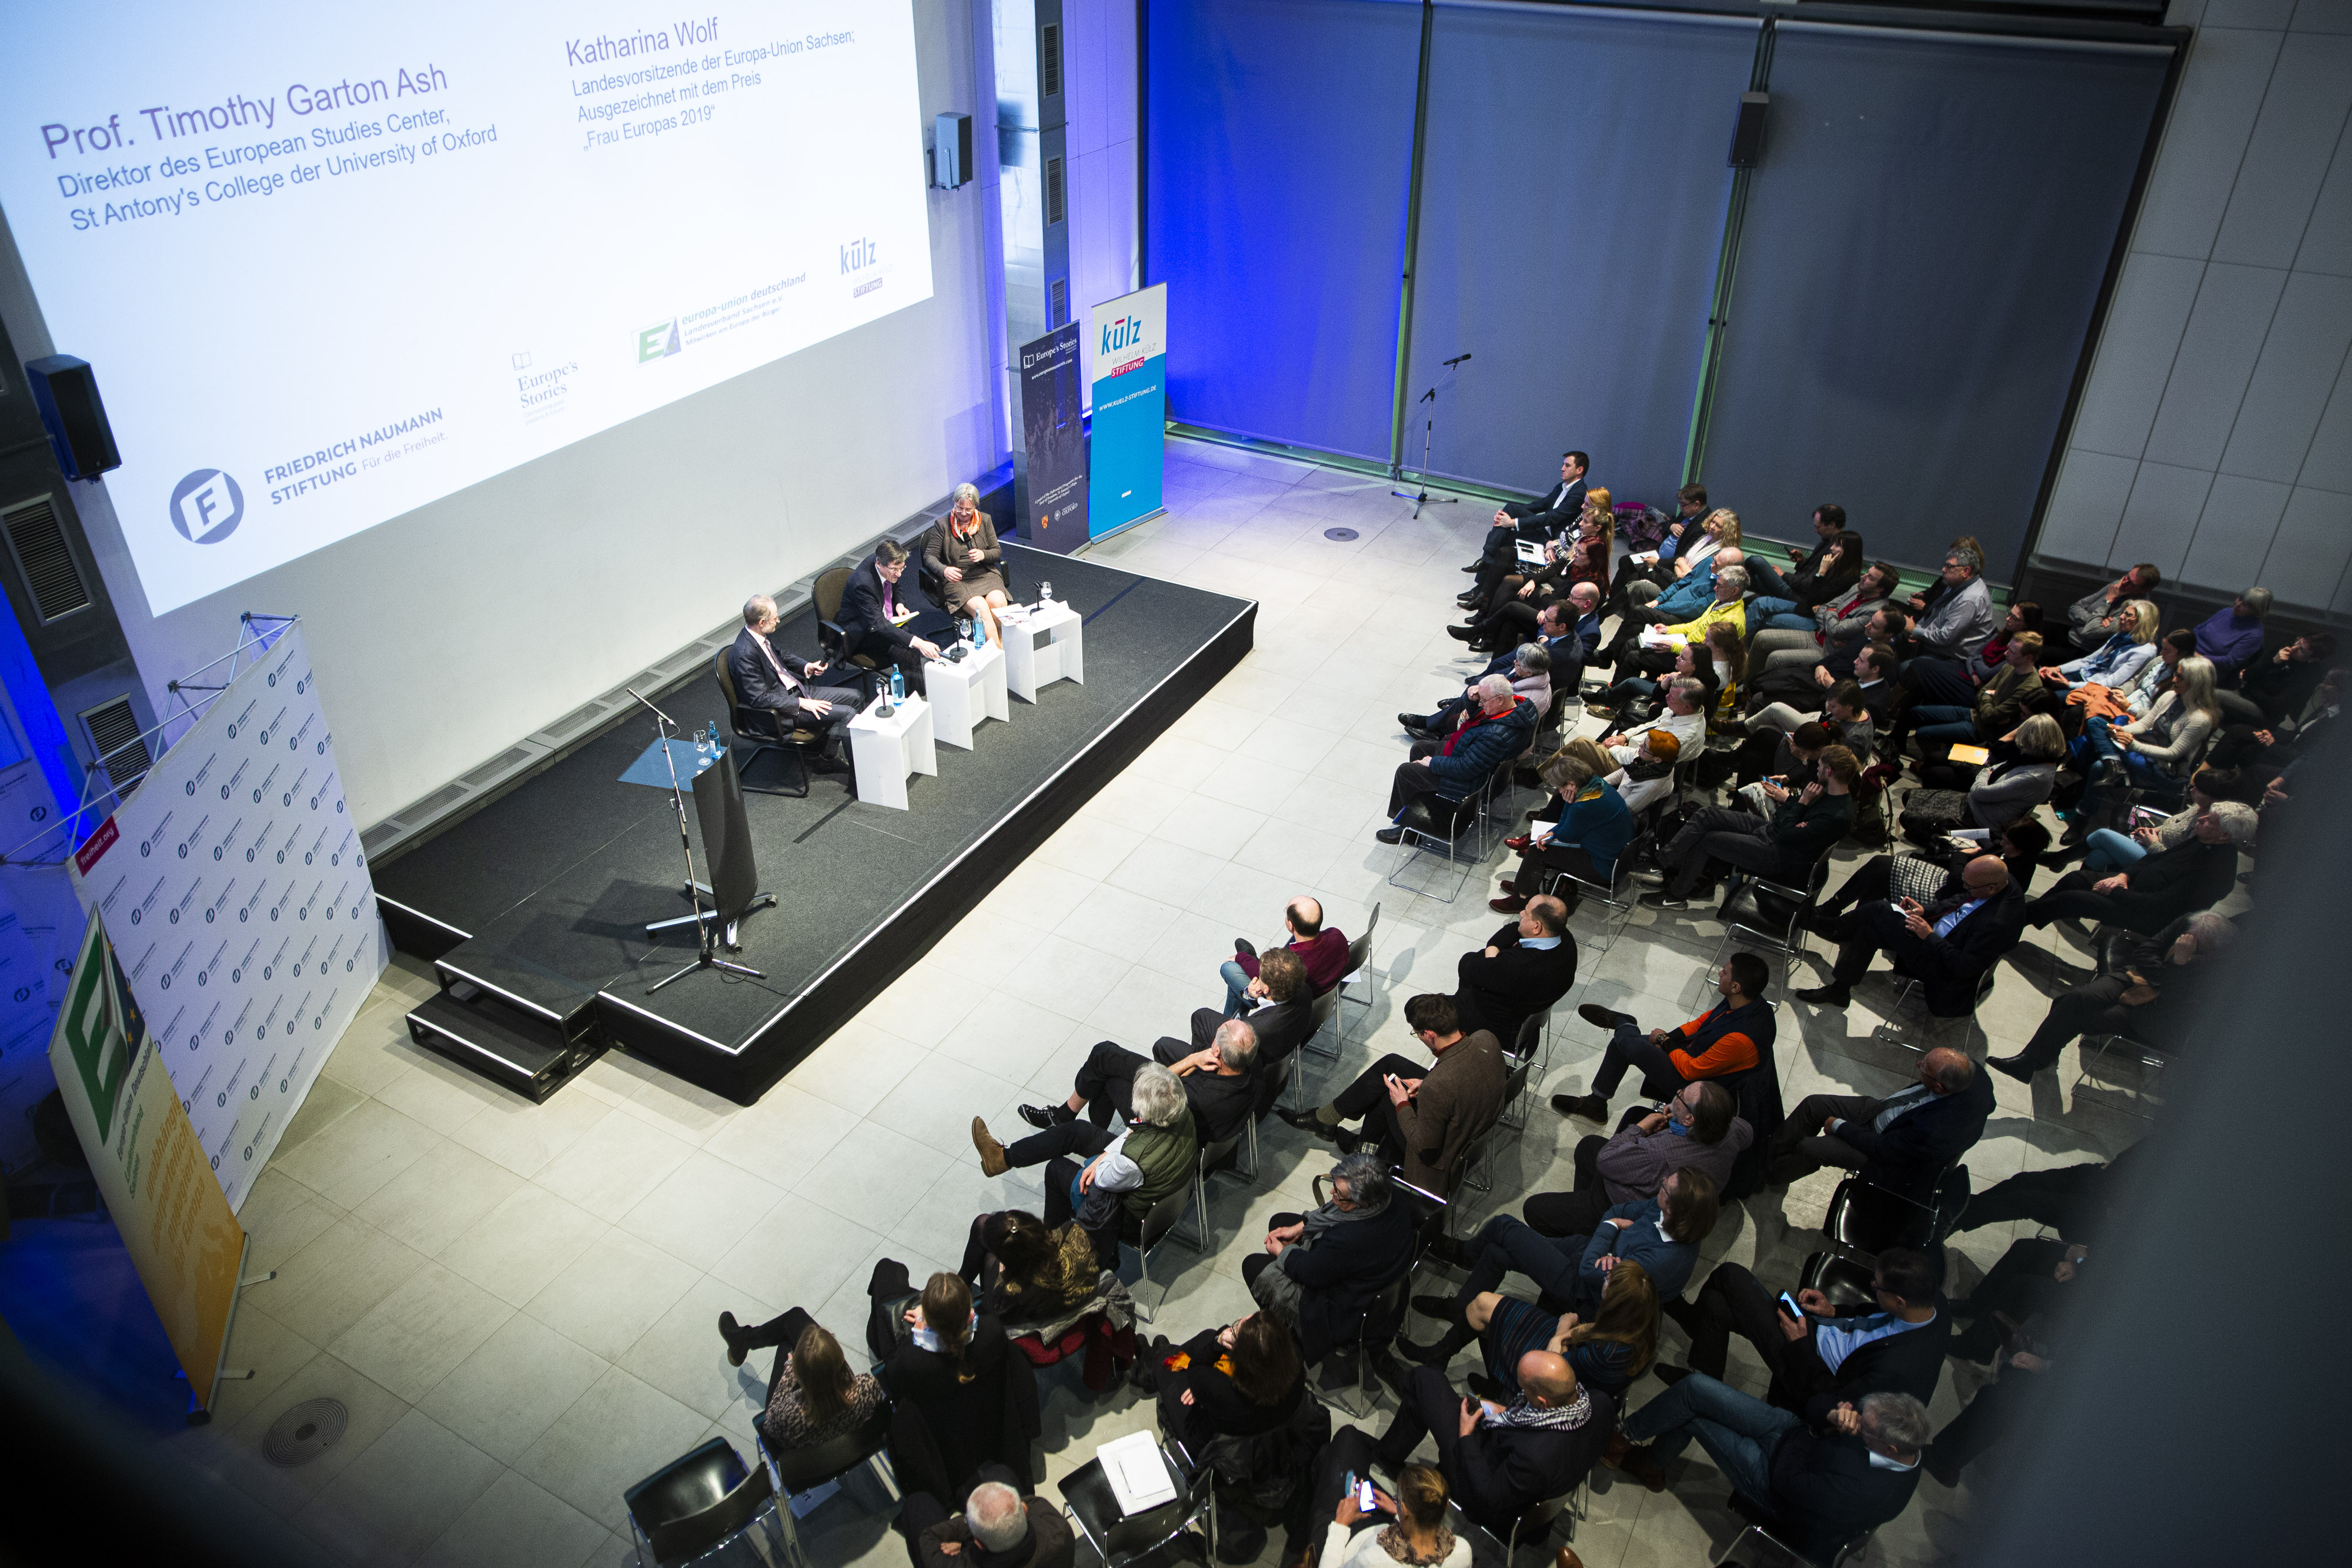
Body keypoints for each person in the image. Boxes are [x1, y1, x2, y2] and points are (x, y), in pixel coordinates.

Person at [1405, 1172, 1714, 1368]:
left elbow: (1593, 1266)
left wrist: (1609, 1231)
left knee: (1504, 1227)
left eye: (1665, 1189)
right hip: (1584, 1252)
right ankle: (1452, 1329)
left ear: (1677, 1209)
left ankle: (1464, 1255)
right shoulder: (1661, 1210)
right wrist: (1610, 1237)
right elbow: (1618, 1211)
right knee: (1498, 1253)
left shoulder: (1663, 1261)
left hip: (1584, 1293)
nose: (1659, 1188)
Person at [1610, 1385, 1930, 1562]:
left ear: (1890, 1450)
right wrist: (1832, 1414)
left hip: (1775, 1489)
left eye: (1865, 1429)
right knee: (1694, 1390)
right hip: (1791, 1435)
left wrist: (1816, 1435)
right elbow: (1815, 1400)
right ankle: (1624, 1437)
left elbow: (1788, 1484)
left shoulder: (1865, 1492)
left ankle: (1646, 1463)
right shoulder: (1885, 1421)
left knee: (1693, 1416)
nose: (1857, 1423)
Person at [1662, 1248, 1947, 1419]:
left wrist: (1799, 1345)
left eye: (1877, 1286)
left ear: (1900, 1301)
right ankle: (1703, 1387)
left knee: (1730, 1274)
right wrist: (1834, 1311)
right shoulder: (1930, 1303)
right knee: (1714, 1306)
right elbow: (1870, 1315)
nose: (1872, 1284)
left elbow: (1835, 1400)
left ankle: (1693, 1332)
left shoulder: (1898, 1370)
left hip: (1807, 1370)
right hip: (1816, 1331)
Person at [1278, 995, 1507, 1197]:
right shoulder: (1487, 1038)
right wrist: (1426, 1082)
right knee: (1391, 1068)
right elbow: (1469, 1077)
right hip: (1471, 1113)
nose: (1418, 1037)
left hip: (1437, 1161)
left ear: (1429, 1034)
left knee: (1388, 1094)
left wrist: (1403, 1105)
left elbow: (1424, 1149)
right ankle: (1341, 1133)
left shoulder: (1438, 1087)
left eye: (1417, 1033)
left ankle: (1360, 1157)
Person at [1371, 1351, 1609, 1540]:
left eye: (1524, 1390)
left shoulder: (1534, 1458)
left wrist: (1465, 1435)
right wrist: (1504, 1413)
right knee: (1421, 1401)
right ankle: (1389, 1454)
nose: (1520, 1393)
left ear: (1542, 1403)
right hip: (1510, 1459)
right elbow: (1534, 1426)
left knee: (1426, 1379)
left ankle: (1399, 1385)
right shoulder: (1600, 1403)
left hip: (1482, 1491)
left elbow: (1487, 1497)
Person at [971, 1063, 1197, 1256]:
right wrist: (1112, 1150)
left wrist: (1102, 1159)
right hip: (1156, 1168)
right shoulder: (1179, 1110)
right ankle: (1003, 1159)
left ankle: (1050, 1249)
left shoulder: (1131, 1162)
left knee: (1056, 1169)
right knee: (1078, 1131)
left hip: (1128, 1217)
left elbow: (1098, 1176)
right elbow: (1136, 1135)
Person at [1989, 911, 2234, 1080]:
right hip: (2135, 977)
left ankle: (2035, 1060)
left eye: (2196, 945)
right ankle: (2035, 1060)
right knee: (2076, 999)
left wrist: (2180, 963)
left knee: (2076, 1014)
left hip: (2155, 1014)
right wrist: (2166, 973)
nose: (2187, 942)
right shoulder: (2188, 924)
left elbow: (2175, 999)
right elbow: (2145, 952)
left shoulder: (2222, 971)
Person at [873, 1271, 1040, 1506]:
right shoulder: (992, 1332)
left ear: (929, 1319)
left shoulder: (912, 1362)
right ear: (970, 1310)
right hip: (986, 1421)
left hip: (945, 1438)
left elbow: (891, 1376)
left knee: (886, 1277)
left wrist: (922, 1323)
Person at [1549, 959, 1775, 1126]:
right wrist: (1670, 1038)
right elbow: (1703, 1022)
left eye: (1725, 972)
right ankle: (1596, 1103)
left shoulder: (1742, 1039)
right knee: (1622, 1045)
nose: (1719, 972)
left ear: (1736, 987)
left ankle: (1621, 1023)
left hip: (1701, 1093)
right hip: (1696, 1063)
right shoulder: (1748, 1002)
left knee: (1629, 1044)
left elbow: (1692, 1071)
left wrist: (1665, 1042)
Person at [1524, 1080, 1750, 1243]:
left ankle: (1591, 1232)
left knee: (1534, 1209)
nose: (1678, 1091)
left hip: (1618, 1203)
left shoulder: (1659, 1153)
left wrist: (1641, 1127)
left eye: (1682, 1097)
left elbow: (1607, 1160)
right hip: (1667, 1186)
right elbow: (1748, 1133)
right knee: (1589, 1146)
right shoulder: (1732, 1128)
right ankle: (1583, 1220)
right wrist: (1678, 1121)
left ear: (1691, 1119)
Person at [1242, 1152, 1417, 1362]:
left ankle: (1289, 1343)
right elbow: (1332, 1214)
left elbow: (1310, 1273)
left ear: (1362, 1202)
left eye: (1340, 1193)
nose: (1332, 1192)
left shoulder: (1349, 1240)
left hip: (1344, 1312)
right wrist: (1301, 1227)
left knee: (1253, 1265)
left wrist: (1282, 1253)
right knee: (1280, 1221)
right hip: (1380, 1277)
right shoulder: (1389, 1194)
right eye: (1334, 1183)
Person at [1638, 744, 1859, 910]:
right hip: (1771, 831)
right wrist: (1794, 807)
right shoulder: (1825, 792)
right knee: (1706, 815)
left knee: (1707, 841)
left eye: (1820, 766)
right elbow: (1788, 820)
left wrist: (1800, 804)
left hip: (1778, 855)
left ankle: (1676, 896)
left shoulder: (1836, 814)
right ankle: (1662, 861)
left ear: (1829, 771)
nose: (1816, 769)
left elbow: (1787, 835)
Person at [1795, 854, 2022, 1013]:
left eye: (1969, 886)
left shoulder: (1997, 923)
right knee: (1870, 929)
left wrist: (1928, 935)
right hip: (1934, 936)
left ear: (1992, 888)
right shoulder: (2000, 881)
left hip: (1939, 964)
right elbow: (1962, 900)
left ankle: (1824, 924)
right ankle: (1839, 991)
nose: (1965, 889)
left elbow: (1964, 966)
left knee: (1881, 909)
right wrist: (1926, 910)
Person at [1768, 1047, 1992, 1199]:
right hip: (1886, 1113)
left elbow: (1882, 1148)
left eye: (1924, 1068)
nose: (1919, 1063)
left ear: (1939, 1088)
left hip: (1883, 1151)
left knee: (1811, 1148)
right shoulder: (1973, 1073)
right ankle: (1769, 1155)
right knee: (1813, 1105)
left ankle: (1774, 1175)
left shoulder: (1932, 1128)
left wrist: (1838, 1126)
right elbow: (1990, 1105)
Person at [1014, 1018, 1260, 1146]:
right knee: (1120, 1058)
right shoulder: (1250, 1068)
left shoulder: (1199, 1095)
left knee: (1105, 1060)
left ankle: (1071, 1121)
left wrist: (1193, 1059)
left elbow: (1158, 1084)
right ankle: (1075, 1122)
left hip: (1160, 1126)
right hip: (1201, 1124)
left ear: (1216, 1052)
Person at [2023, 801, 2253, 934]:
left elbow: (2161, 905)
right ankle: (2030, 915)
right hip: (2133, 888)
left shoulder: (2215, 872)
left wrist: (2115, 890)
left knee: (2072, 898)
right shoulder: (2204, 839)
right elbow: (2155, 859)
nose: (2201, 819)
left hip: (2146, 915)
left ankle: (2016, 918)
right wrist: (2123, 875)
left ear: (2224, 835)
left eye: (2209, 820)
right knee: (2074, 879)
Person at [1451, 1258, 1660, 1403]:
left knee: (1487, 1316)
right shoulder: (1640, 1324)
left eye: (1609, 1280)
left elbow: (1554, 1361)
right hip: (1578, 1358)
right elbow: (1593, 1330)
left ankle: (1499, 1385)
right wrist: (1570, 1332)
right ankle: (1496, 1383)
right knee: (1485, 1307)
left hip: (1563, 1384)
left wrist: (1562, 1330)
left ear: (1616, 1304)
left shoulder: (1605, 1353)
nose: (1605, 1277)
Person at [1375, 676, 1538, 844]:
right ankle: (1425, 800)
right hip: (1465, 752)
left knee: (1406, 772)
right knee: (1420, 748)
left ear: (1500, 699)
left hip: (1468, 781)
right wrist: (1472, 699)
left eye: (1483, 700)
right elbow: (1478, 717)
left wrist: (1432, 763)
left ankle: (1408, 829)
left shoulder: (1496, 735)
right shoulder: (1519, 707)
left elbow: (1464, 769)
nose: (1481, 704)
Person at [2070, 656, 2223, 823]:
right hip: (2147, 745)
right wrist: (2121, 730)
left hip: (2165, 766)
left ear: (2195, 683)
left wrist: (2133, 744)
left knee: (2098, 765)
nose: (2174, 679)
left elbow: (2173, 753)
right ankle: (2112, 763)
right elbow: (2145, 724)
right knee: (2097, 723)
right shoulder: (2170, 696)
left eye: (2180, 677)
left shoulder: (2200, 720)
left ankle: (2083, 815)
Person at [713, 1309, 888, 1451]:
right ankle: (743, 1340)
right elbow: (846, 1378)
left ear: (802, 1375)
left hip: (809, 1462)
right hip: (853, 1448)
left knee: (788, 1342)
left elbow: (769, 1424)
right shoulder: (868, 1385)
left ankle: (742, 1340)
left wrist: (790, 1368)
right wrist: (827, 1348)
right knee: (807, 1334)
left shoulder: (788, 1416)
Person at [1142, 1310, 1308, 1457]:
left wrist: (1202, 1387)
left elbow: (1196, 1369)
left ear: (1242, 1359)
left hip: (1211, 1445)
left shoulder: (1222, 1391)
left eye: (1237, 1330)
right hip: (1269, 1428)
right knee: (1208, 1336)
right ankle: (1164, 1357)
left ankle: (1154, 1365)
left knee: (1164, 1363)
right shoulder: (1295, 1362)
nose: (1239, 1318)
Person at [1493, 745, 1632, 914]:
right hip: (1614, 853)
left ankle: (1523, 898)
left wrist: (1566, 807)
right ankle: (1524, 886)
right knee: (1544, 843)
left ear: (1572, 784)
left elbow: (1567, 835)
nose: (1559, 791)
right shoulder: (1597, 783)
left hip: (1603, 865)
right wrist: (1557, 827)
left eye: (1560, 787)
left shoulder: (1584, 805)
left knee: (1538, 850)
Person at [729, 594, 862, 766]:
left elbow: (780, 655)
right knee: (848, 714)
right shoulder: (744, 654)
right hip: (782, 710)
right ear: (761, 623)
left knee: (856, 697)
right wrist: (801, 703)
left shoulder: (758, 636)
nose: (778, 620)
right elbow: (759, 698)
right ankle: (857, 774)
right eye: (774, 618)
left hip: (797, 690)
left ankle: (827, 754)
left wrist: (807, 667)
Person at [1450, 895, 1578, 1049]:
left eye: (1527, 912)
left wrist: (1491, 962)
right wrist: (1493, 954)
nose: (1521, 913)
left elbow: (1467, 963)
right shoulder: (1565, 940)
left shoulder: (1519, 968)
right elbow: (1514, 928)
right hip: (1522, 1018)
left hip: (1496, 1028)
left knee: (1421, 1010)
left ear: (1537, 927)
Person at [955, 1209, 1102, 1326]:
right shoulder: (1073, 1231)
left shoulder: (1012, 1292)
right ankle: (960, 1287)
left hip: (1037, 1310)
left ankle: (956, 1294)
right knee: (985, 1224)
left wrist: (1002, 1265)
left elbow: (999, 1305)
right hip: (1076, 1290)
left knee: (983, 1232)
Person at [1311, 1459, 1469, 1568]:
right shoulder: (1463, 1550)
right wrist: (1398, 1513)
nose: (1395, 1501)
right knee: (1330, 1459)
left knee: (1344, 1443)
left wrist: (1341, 1524)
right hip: (1392, 1525)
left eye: (1398, 1499)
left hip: (1347, 1547)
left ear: (1405, 1509)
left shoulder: (1374, 1560)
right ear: (1446, 1506)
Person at [838, 539, 944, 696]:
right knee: (908, 650)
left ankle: (915, 693)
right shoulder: (863, 583)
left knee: (909, 643)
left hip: (882, 618)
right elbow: (878, 624)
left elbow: (895, 585)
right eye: (895, 569)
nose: (899, 574)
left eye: (902, 568)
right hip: (862, 632)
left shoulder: (887, 565)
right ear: (879, 564)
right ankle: (914, 697)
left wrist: (899, 604)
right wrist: (919, 643)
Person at [1748, 562, 1897, 673]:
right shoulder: (1856, 588)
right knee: (1762, 637)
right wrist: (1829, 619)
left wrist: (1830, 614)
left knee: (1776, 658)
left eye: (1870, 577)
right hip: (1817, 635)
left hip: (1828, 650)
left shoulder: (1875, 611)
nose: (1863, 577)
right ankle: (1745, 685)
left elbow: (1837, 630)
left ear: (1880, 589)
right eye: (1866, 573)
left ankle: (1758, 694)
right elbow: (1824, 608)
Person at [903, 1473, 1074, 1568]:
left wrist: (971, 1527)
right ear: (1024, 1510)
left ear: (979, 1545)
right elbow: (1028, 1502)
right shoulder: (1058, 1528)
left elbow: (928, 1537)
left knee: (918, 1502)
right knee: (998, 1471)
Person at [1466, 450, 1587, 583]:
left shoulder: (1579, 493)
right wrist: (1508, 516)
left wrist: (1513, 522)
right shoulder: (1562, 487)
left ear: (1579, 470)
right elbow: (1540, 505)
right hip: (1542, 532)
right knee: (1504, 534)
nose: (1562, 469)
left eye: (1567, 466)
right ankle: (1482, 585)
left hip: (1551, 540)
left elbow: (1551, 518)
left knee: (1511, 512)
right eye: (1563, 465)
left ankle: (1485, 564)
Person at [1224, 897, 1352, 1012]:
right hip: (1324, 994)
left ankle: (1227, 1030)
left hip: (1291, 1005)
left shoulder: (1293, 964)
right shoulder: (1337, 935)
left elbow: (1269, 982)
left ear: (1291, 925)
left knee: (1229, 969)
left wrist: (1241, 957)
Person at [1404, 644, 1552, 741]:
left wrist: (1478, 706)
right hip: (1497, 715)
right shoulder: (1529, 673)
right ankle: (1433, 725)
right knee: (1476, 686)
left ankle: (1433, 729)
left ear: (1529, 671)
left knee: (1459, 714)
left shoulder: (1530, 698)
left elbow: (1502, 719)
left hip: (1502, 735)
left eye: (1518, 663)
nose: (1514, 663)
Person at [924, 484, 1010, 646]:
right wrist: (944, 570)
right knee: (981, 609)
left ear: (976, 506)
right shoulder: (942, 525)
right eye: (959, 508)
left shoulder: (985, 520)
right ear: (954, 504)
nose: (963, 513)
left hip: (984, 574)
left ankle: (1003, 646)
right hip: (958, 580)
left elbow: (997, 551)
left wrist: (984, 554)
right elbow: (929, 556)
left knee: (998, 603)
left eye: (968, 510)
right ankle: (999, 656)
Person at [1203, 947, 1317, 1065]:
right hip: (1286, 1041)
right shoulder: (1305, 990)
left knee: (1202, 1016)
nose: (1257, 979)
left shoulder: (1253, 1029)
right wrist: (1251, 994)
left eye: (1260, 977)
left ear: (1267, 989)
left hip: (1250, 1058)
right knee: (1234, 988)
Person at [1899, 547, 1997, 663]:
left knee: (1905, 664)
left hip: (1949, 657)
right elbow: (1935, 615)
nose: (1943, 570)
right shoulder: (1955, 584)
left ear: (1966, 571)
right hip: (1932, 643)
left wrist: (1915, 631)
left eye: (1949, 566)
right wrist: (1918, 631)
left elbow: (1946, 637)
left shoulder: (1970, 600)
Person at [2044, 598, 2160, 695]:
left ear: (2142, 622)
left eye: (2128, 615)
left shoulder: (2145, 651)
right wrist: (2058, 669)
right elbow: (2088, 661)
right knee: (2041, 678)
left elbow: (2112, 682)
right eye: (2123, 613)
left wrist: (2069, 685)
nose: (2122, 617)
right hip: (2084, 675)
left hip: (2095, 688)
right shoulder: (2121, 636)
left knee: (2049, 697)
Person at [2062, 563, 2161, 653]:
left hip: (2085, 650)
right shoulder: (2118, 585)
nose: (2124, 582)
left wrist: (2108, 600)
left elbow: (2091, 631)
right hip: (2071, 635)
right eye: (2127, 576)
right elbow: (2075, 607)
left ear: (2144, 590)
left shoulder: (2137, 609)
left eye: (2131, 583)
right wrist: (2096, 620)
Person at [2191, 587, 2270, 681]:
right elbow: (2198, 629)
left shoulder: (2255, 634)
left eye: (2246, 605)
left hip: (2207, 670)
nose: (2238, 604)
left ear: (2257, 611)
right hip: (2188, 654)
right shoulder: (2226, 612)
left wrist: (2198, 658)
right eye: (2240, 599)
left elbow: (2230, 661)